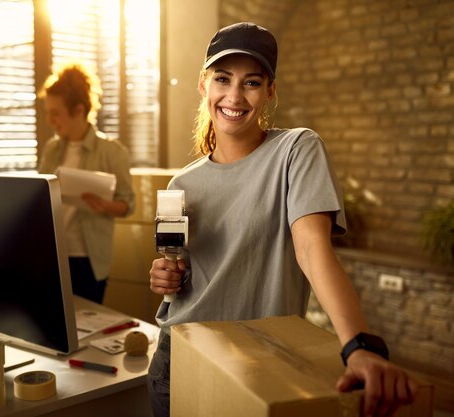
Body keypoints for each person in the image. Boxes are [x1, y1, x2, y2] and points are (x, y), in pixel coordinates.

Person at [147, 22, 417, 417]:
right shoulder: (181, 182)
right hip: (180, 354)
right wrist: (167, 276)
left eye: (251, 82)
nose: (234, 95)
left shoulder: (296, 150)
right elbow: (185, 271)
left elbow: (311, 247)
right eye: (223, 78)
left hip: (262, 359)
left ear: (270, 91)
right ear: (204, 85)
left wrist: (359, 345)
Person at [38, 62, 135, 304]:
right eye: (47, 111)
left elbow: (128, 203)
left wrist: (105, 206)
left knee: (87, 329)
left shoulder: (112, 152)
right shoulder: (51, 150)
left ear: (79, 110)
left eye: (55, 112)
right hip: (53, 254)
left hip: (88, 260)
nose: (50, 120)